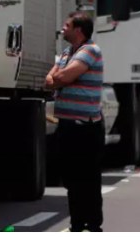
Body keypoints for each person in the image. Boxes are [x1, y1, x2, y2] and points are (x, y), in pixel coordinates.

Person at [45, 12, 105, 232]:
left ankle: (93, 223)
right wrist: (57, 77)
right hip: (67, 126)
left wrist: (58, 78)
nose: (63, 29)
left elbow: (61, 78)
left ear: (78, 30)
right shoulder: (66, 53)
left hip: (85, 127)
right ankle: (77, 223)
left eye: (67, 25)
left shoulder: (90, 50)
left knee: (88, 177)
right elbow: (49, 79)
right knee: (71, 177)